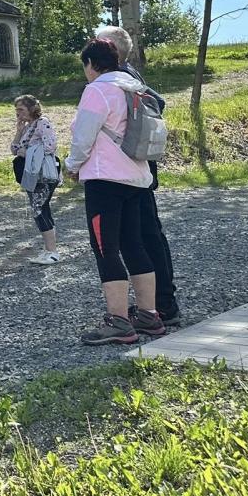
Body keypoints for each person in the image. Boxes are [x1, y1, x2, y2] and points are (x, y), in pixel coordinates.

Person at [65, 39, 165, 345]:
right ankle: (149, 314)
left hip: (105, 179)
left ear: (91, 64)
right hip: (137, 177)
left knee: (105, 248)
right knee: (134, 244)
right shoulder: (135, 86)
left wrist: (71, 165)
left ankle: (119, 321)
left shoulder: (97, 90)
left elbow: (84, 136)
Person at [96, 25, 181, 326]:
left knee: (145, 238)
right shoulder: (128, 75)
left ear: (109, 48)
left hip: (132, 170)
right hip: (139, 169)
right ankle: (160, 304)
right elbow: (159, 103)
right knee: (145, 236)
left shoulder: (121, 77)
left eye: (96, 42)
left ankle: (162, 305)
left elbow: (157, 103)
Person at [11, 96, 62, 264]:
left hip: (42, 174)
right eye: (16, 110)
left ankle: (52, 251)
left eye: (21, 110)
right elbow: (14, 149)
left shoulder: (42, 123)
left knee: (39, 209)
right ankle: (49, 249)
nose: (18, 113)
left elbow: (50, 146)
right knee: (40, 208)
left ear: (32, 109)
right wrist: (19, 132)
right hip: (31, 173)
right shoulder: (28, 127)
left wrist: (28, 152)